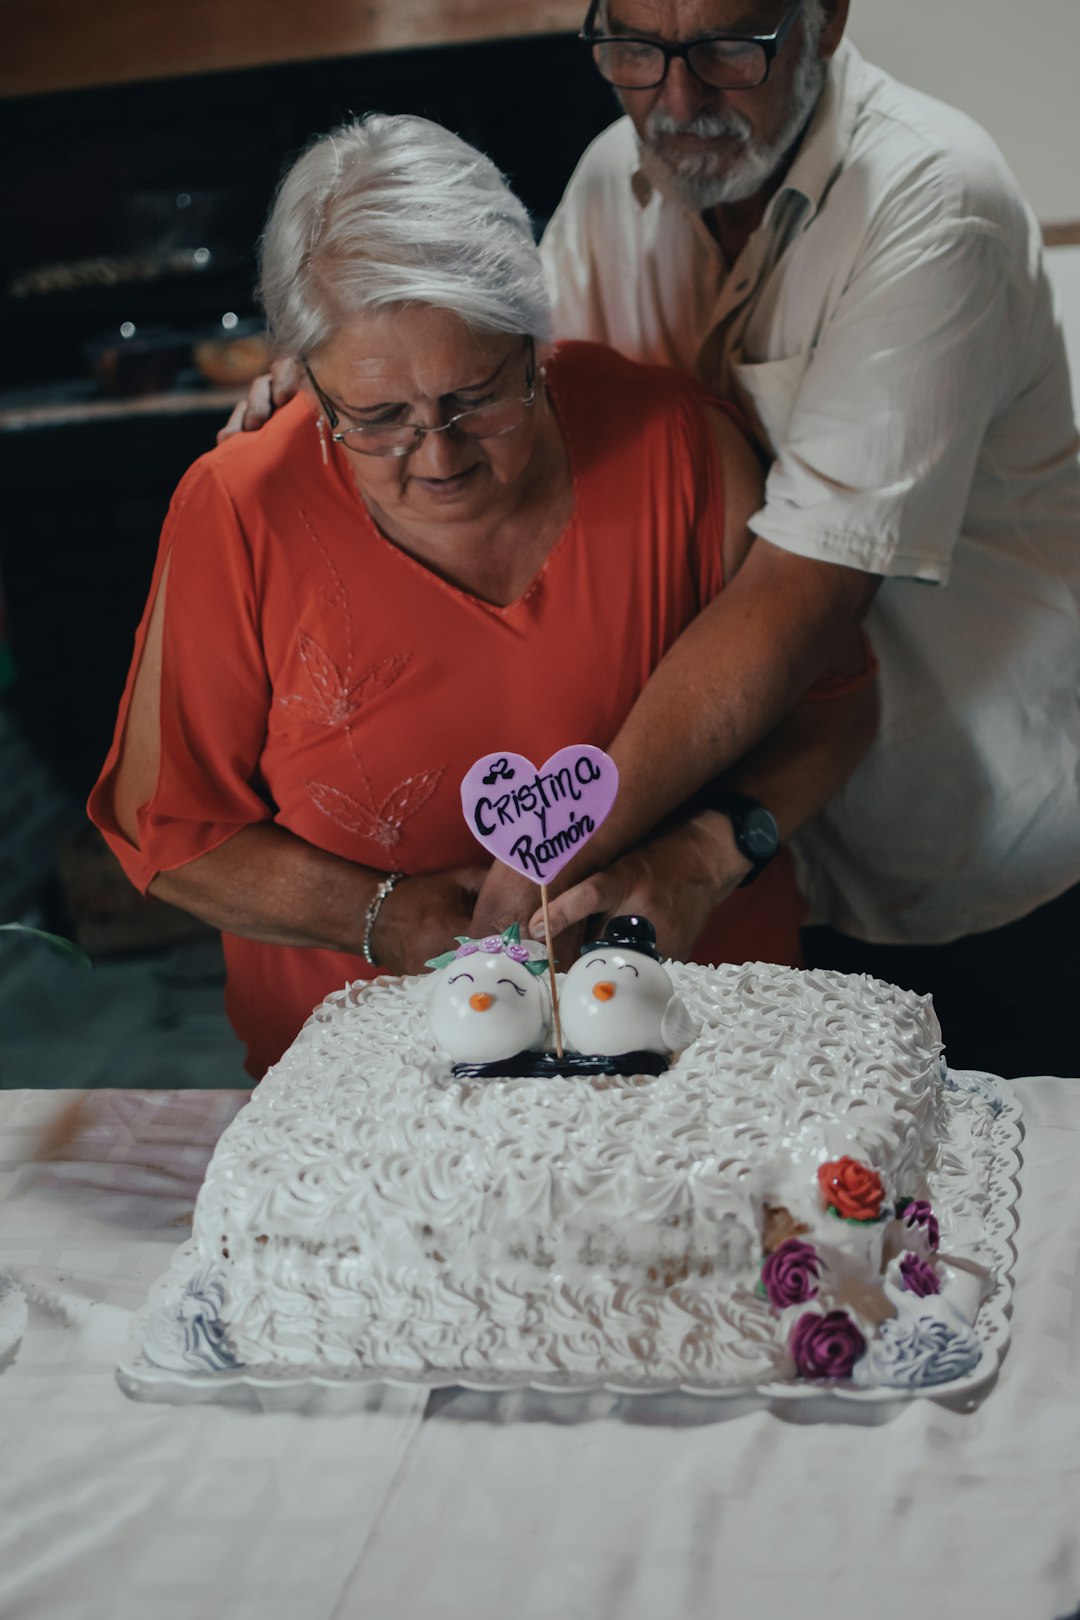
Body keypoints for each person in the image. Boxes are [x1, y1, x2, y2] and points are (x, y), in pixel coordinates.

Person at [90, 113, 874, 1078]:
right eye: (376, 418)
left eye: (478, 396)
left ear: (536, 340)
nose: (440, 453)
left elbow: (835, 704)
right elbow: (169, 828)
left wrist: (706, 856)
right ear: (304, 381)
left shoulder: (675, 445)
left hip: (704, 1069)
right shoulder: (239, 509)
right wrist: (376, 916)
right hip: (374, 1098)